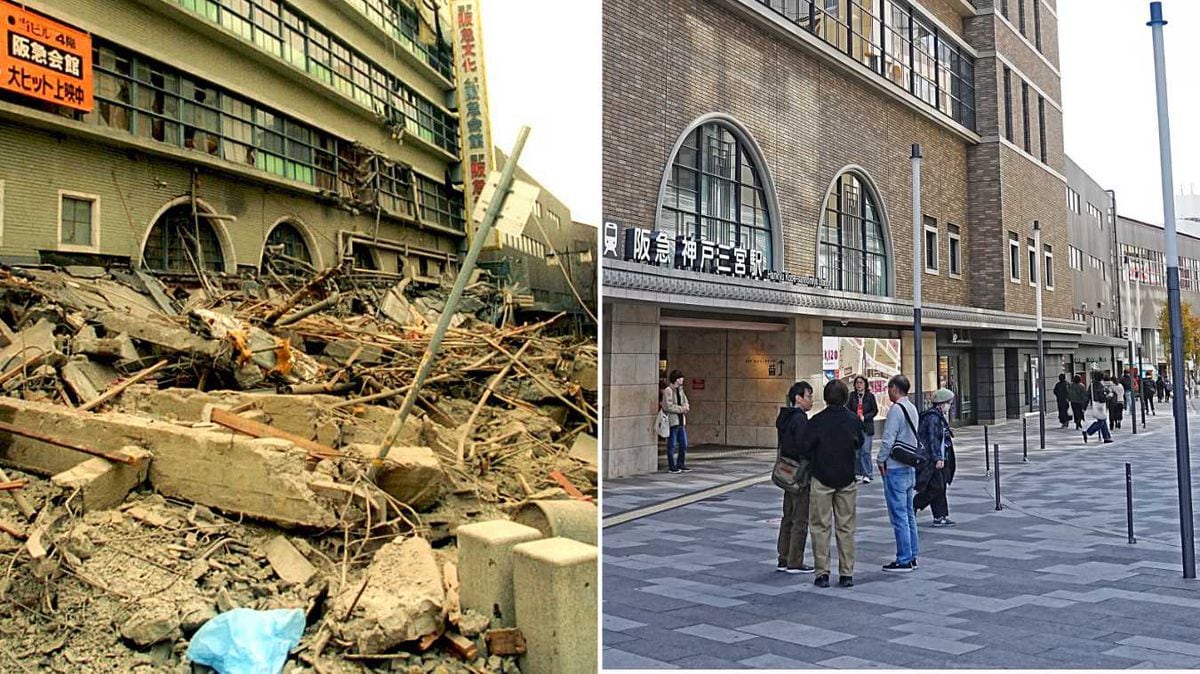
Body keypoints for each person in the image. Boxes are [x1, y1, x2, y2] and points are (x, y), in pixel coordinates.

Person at [801, 379, 862, 588]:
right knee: (846, 527)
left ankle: (822, 573)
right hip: (846, 478)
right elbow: (859, 443)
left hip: (821, 477)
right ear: (846, 397)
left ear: (826, 398)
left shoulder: (816, 421)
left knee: (820, 526)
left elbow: (805, 447)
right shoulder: (853, 419)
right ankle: (847, 573)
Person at [877, 374, 920, 573]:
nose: (888, 392)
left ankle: (903, 558)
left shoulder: (896, 410)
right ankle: (912, 555)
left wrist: (880, 459)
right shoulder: (911, 408)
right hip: (909, 465)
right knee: (909, 513)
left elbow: (888, 439)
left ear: (895, 388)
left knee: (899, 515)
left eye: (889, 389)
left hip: (895, 467)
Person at [775, 381, 815, 574]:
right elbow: (803, 446)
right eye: (809, 396)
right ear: (798, 398)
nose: (811, 400)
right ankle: (795, 560)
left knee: (788, 516)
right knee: (800, 518)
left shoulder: (785, 417)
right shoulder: (800, 420)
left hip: (786, 472)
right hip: (799, 474)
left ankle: (783, 557)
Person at [914, 388, 956, 527]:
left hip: (939, 458)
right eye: (949, 402)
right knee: (936, 487)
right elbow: (932, 439)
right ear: (941, 403)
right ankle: (915, 504)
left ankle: (940, 516)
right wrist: (938, 458)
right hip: (932, 459)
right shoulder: (933, 417)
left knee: (940, 486)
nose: (949, 406)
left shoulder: (938, 417)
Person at [847, 376, 878, 484]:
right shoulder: (852, 396)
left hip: (867, 426)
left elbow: (875, 410)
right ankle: (858, 472)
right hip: (855, 427)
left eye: (861, 383)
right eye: (857, 383)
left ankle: (867, 473)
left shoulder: (870, 396)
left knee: (866, 451)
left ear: (865, 384)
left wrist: (865, 417)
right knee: (856, 451)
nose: (859, 385)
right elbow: (848, 409)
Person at [660, 370, 691, 473]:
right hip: (673, 422)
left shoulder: (680, 390)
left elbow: (685, 400)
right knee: (672, 445)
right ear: (676, 379)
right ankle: (671, 466)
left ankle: (680, 464)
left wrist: (686, 406)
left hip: (681, 421)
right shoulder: (668, 390)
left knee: (684, 444)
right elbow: (667, 406)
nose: (682, 379)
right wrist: (681, 409)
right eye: (681, 378)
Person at [1083, 372, 1114, 443]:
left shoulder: (1092, 385)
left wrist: (1084, 407)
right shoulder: (1099, 385)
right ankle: (1088, 432)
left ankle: (1106, 437)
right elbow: (1101, 397)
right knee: (1101, 421)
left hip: (1094, 404)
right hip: (1100, 405)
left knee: (1103, 420)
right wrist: (1108, 397)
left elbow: (1087, 396)